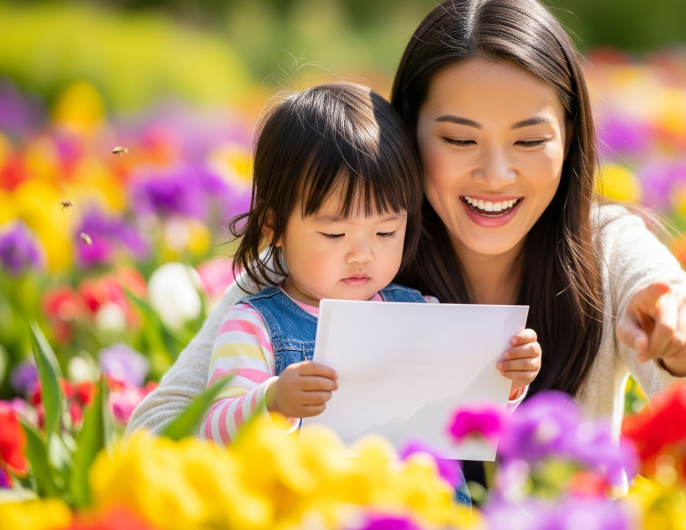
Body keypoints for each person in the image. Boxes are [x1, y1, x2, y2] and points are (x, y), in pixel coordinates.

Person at [130, 0, 686, 450]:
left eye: (528, 140)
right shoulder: (319, 261)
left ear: (571, 140)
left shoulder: (610, 254)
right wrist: (267, 407)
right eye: (459, 140)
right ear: (405, 136)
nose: (495, 174)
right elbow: (151, 437)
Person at [196, 83, 539, 454]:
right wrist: (273, 401)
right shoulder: (254, 325)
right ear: (272, 226)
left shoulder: (423, 314)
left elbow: (460, 421)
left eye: (386, 231)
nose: (362, 254)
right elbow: (214, 431)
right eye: (334, 233)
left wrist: (505, 380)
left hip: (420, 501)